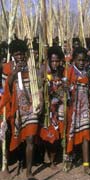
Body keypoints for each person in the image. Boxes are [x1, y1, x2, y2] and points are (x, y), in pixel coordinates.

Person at [0, 39, 43, 180]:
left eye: (22, 54)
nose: (20, 57)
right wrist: (13, 73)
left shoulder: (31, 66)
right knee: (13, 137)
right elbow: (5, 90)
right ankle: (13, 163)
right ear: (12, 54)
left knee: (30, 138)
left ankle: (29, 172)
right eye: (17, 54)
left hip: (31, 107)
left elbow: (38, 87)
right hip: (14, 108)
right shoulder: (7, 67)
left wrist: (40, 101)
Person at [66, 47, 90, 174]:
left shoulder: (87, 71)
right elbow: (65, 90)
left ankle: (86, 164)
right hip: (73, 107)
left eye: (83, 60)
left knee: (86, 134)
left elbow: (89, 89)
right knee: (71, 133)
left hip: (84, 107)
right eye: (79, 60)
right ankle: (69, 158)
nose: (81, 62)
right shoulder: (69, 71)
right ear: (74, 60)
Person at [40, 46, 65, 168]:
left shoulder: (62, 71)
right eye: (52, 61)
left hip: (59, 107)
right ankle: (47, 154)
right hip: (48, 108)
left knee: (57, 134)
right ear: (49, 61)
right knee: (47, 133)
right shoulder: (44, 71)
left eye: (57, 61)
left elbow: (65, 89)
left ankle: (53, 159)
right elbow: (39, 89)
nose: (55, 63)